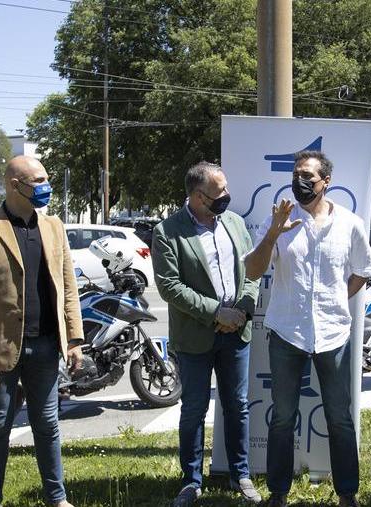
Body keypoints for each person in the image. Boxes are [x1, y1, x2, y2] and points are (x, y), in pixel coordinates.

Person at [244, 150, 371, 507]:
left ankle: (347, 493)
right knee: (282, 417)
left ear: (326, 182)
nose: (300, 183)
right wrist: (272, 233)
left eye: (309, 177)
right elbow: (253, 271)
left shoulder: (350, 224)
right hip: (287, 332)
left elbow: (363, 269)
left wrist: (334, 299)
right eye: (296, 175)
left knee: (339, 417)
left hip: (333, 334)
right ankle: (278, 493)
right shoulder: (282, 221)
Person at [0, 156, 83, 507]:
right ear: (15, 185)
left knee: (48, 424)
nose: (46, 187)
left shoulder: (54, 226)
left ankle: (57, 498)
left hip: (45, 346)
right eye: (38, 180)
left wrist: (73, 339)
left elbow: (67, 286)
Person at [151, 162, 262, 506]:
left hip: (236, 332)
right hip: (195, 336)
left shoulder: (234, 222)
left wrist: (241, 310)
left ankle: (241, 474)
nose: (227, 196)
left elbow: (253, 271)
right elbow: (170, 287)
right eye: (220, 192)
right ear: (198, 197)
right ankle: (191, 481)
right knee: (194, 409)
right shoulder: (168, 231)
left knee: (237, 406)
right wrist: (216, 311)